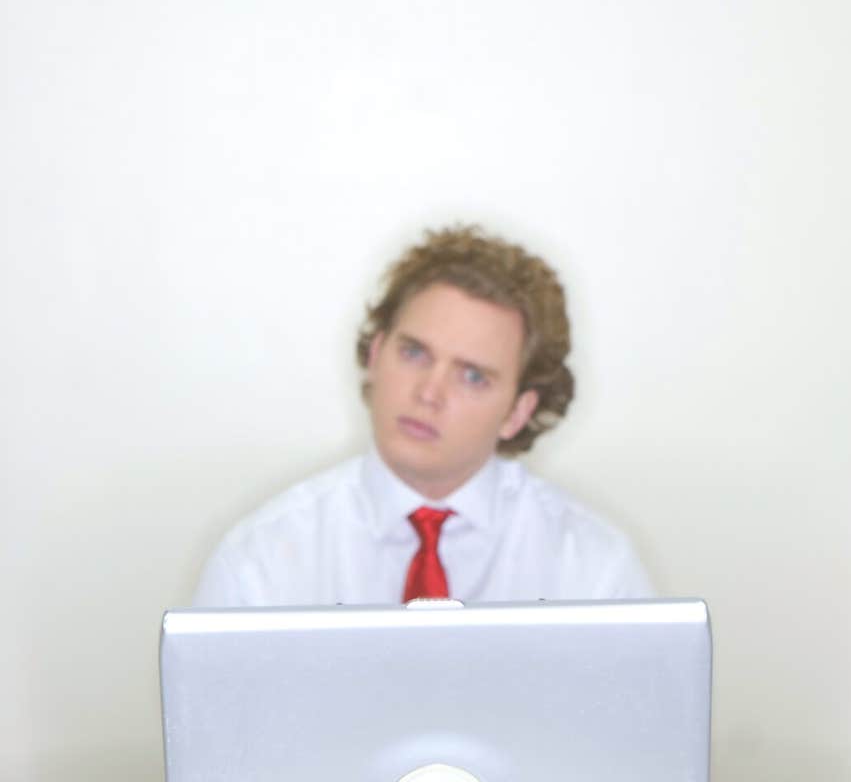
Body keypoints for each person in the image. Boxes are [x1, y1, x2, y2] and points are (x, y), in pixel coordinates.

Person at [191, 225, 653, 607]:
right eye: (413, 352)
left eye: (472, 376)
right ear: (375, 356)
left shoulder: (593, 569)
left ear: (517, 412)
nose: (429, 392)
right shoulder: (260, 561)